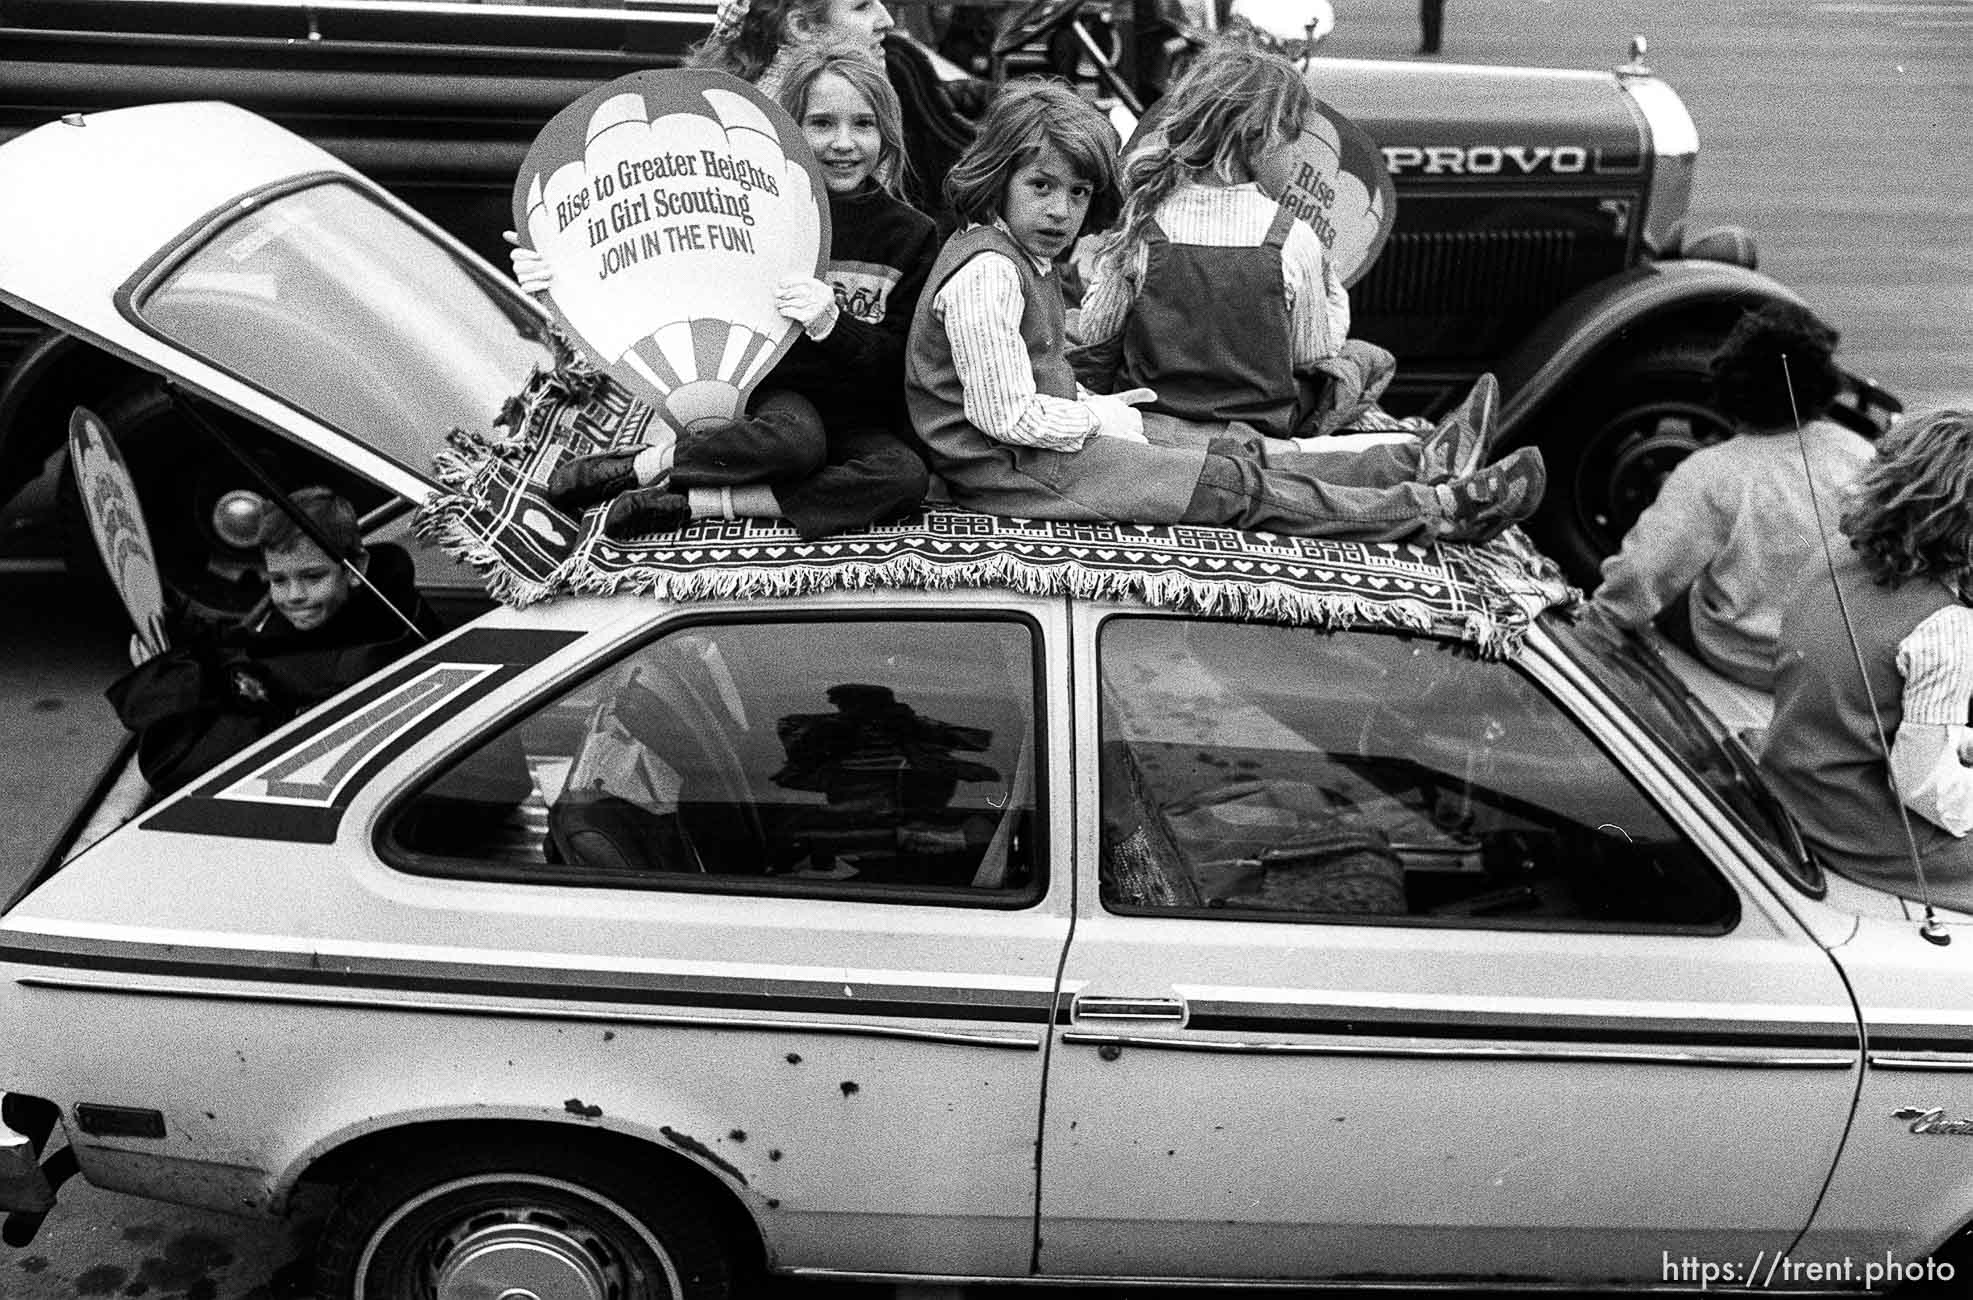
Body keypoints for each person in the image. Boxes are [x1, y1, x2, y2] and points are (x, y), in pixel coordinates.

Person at [903, 78, 1544, 544]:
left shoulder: (1022, 257)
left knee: (1239, 455)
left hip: (1049, 445)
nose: (1060, 212)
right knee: (1235, 489)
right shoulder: (987, 271)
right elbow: (1004, 414)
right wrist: (1097, 420)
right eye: (1041, 187)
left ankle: (1414, 459)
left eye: (1077, 194)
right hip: (1017, 473)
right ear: (996, 176)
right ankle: (1433, 509)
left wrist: (1102, 413)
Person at [516, 42, 937, 541]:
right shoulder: (757, 203)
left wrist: (833, 325)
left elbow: (898, 364)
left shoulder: (912, 234)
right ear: (791, 130)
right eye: (821, 124)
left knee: (905, 476)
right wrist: (560, 271)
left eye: (863, 124)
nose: (844, 143)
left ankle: (700, 503)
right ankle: (645, 465)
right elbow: (658, 272)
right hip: (775, 403)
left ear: (886, 133)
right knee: (796, 446)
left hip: (860, 415)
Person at [1072, 36, 1428, 443]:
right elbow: (1307, 354)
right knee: (1362, 361)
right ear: (1263, 144)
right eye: (1294, 147)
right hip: (1256, 432)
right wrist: (1334, 297)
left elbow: (1097, 330)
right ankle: (1392, 437)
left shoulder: (1143, 224)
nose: (1296, 163)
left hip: (1154, 421)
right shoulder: (1294, 238)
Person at [1590, 302, 1872, 689]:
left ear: (1729, 384)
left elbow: (1640, 575)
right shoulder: (1857, 451)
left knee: (1677, 577)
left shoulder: (1710, 471)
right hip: (1833, 656)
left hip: (1747, 659)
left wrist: (1595, 623)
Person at [1761, 409, 1973, 910]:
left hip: (1796, 777)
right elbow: (1926, 789)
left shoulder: (1837, 553)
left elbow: (1864, 695)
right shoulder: (1943, 626)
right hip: (1861, 825)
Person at [106, 487, 445, 794]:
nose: (294, 596)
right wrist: (185, 632)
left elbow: (189, 770)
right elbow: (256, 647)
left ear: (356, 567)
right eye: (278, 579)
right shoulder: (383, 602)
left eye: (313, 576)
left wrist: (159, 689)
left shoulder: (359, 666)